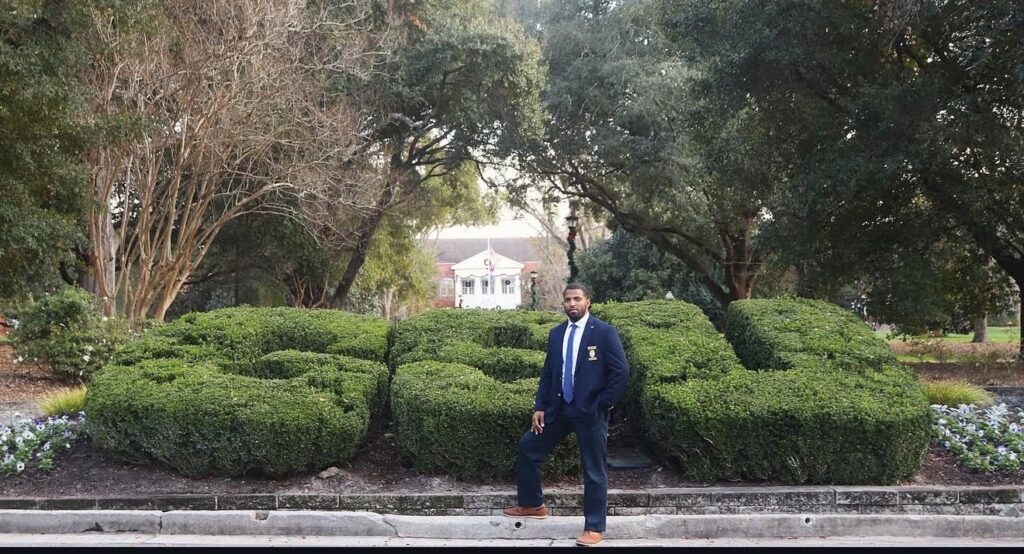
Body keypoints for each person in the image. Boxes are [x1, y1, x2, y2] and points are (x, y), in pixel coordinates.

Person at [503, 283, 629, 547]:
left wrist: (602, 404)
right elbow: (549, 374)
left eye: (577, 299)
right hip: (559, 409)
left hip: (590, 413)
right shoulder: (557, 334)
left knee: (593, 470)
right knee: (528, 447)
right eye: (568, 300)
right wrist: (540, 406)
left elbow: (620, 372)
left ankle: (594, 527)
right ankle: (532, 504)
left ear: (588, 301)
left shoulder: (604, 332)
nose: (572, 304)